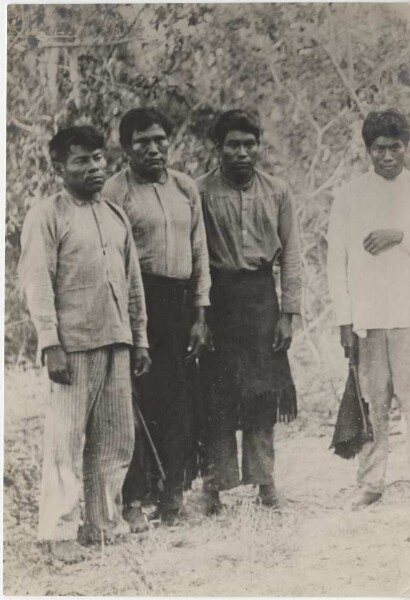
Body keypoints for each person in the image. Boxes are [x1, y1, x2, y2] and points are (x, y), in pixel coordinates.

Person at [18, 126, 151, 563]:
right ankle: (58, 533)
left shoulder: (114, 214)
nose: (94, 168)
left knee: (116, 439)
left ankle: (102, 523)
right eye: (81, 161)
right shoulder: (47, 215)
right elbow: (37, 283)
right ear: (59, 168)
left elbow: (133, 285)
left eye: (98, 158)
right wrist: (50, 343)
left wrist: (140, 339)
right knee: (66, 442)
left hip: (116, 341)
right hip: (72, 347)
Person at [103, 107, 211, 525]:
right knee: (136, 403)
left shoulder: (185, 187)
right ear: (126, 148)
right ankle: (133, 502)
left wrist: (201, 315)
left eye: (159, 139)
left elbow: (199, 253)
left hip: (181, 305)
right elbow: (115, 261)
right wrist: (131, 325)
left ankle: (174, 498)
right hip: (139, 301)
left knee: (179, 403)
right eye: (142, 142)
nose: (153, 149)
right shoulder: (116, 191)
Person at [197, 109, 302, 515]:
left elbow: (291, 256)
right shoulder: (200, 191)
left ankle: (264, 482)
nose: (242, 152)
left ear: (258, 146)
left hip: (262, 300)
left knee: (262, 395)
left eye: (249, 144)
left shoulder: (277, 191)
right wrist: (200, 317)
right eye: (233, 145)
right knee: (217, 396)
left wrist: (288, 313)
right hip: (218, 299)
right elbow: (197, 257)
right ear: (218, 148)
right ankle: (215, 487)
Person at [327, 109, 410, 509]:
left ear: (407, 145)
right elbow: (337, 261)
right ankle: (371, 482)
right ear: (368, 150)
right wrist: (345, 318)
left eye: (396, 147)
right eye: (379, 148)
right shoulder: (349, 196)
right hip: (368, 319)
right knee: (373, 403)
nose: (389, 156)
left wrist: (401, 234)